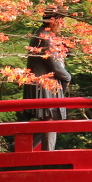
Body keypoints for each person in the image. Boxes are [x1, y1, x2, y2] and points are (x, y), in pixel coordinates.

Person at [18, 10, 71, 151]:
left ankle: (21, 149)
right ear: (53, 21)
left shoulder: (42, 34)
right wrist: (67, 77)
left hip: (42, 82)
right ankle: (48, 157)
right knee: (50, 119)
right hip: (45, 84)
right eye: (60, 21)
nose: (62, 25)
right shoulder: (45, 37)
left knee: (48, 120)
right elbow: (54, 65)